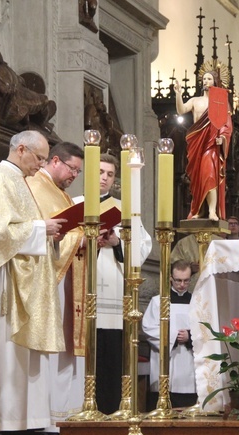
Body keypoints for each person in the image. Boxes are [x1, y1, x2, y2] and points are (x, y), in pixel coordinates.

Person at [0, 130, 67, 435]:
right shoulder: (0, 179)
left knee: (22, 354)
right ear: (21, 149)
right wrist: (40, 227)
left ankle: (26, 419)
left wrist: (46, 233)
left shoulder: (17, 179)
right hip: (4, 282)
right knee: (5, 350)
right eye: (40, 158)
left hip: (22, 278)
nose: (42, 164)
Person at [73, 153, 152, 414]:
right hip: (82, 293)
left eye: (110, 174)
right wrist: (88, 239)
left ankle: (110, 411)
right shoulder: (75, 205)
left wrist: (118, 243)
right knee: (82, 356)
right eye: (100, 172)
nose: (105, 178)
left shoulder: (125, 209)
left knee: (111, 358)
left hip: (116, 295)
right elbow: (62, 245)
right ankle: (79, 409)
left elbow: (143, 246)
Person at [26, 141, 85, 432]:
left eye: (78, 171)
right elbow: (43, 231)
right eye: (73, 168)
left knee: (64, 347)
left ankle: (60, 413)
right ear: (56, 160)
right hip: (45, 278)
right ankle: (46, 416)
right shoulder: (38, 186)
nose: (75, 175)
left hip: (63, 278)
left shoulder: (61, 193)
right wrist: (81, 238)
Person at [174, 70, 233, 221]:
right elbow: (181, 111)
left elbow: (227, 125)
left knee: (210, 175)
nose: (205, 81)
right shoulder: (195, 100)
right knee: (198, 179)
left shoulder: (220, 101)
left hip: (211, 144)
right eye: (204, 78)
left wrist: (222, 138)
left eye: (209, 78)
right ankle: (199, 209)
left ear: (215, 82)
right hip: (197, 143)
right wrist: (178, 94)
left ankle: (212, 211)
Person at [142, 261, 197, 408]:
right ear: (171, 278)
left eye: (186, 280)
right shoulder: (158, 301)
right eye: (178, 280)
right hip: (165, 358)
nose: (182, 284)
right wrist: (173, 336)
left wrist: (190, 337)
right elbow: (148, 327)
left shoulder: (197, 302)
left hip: (188, 362)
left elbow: (205, 329)